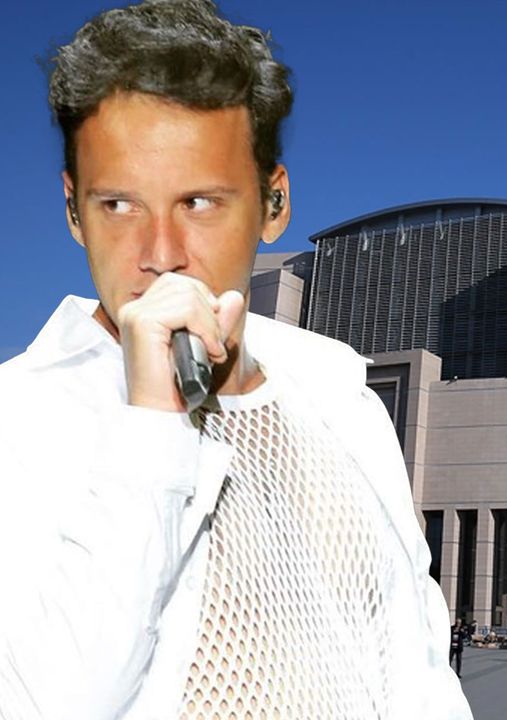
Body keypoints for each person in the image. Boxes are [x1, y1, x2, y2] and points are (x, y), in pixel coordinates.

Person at [0, 2, 472, 718]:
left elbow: (420, 665)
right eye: (119, 205)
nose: (161, 254)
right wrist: (153, 423)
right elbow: (51, 704)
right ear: (74, 212)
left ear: (273, 204)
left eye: (198, 202)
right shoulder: (21, 419)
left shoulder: (340, 394)